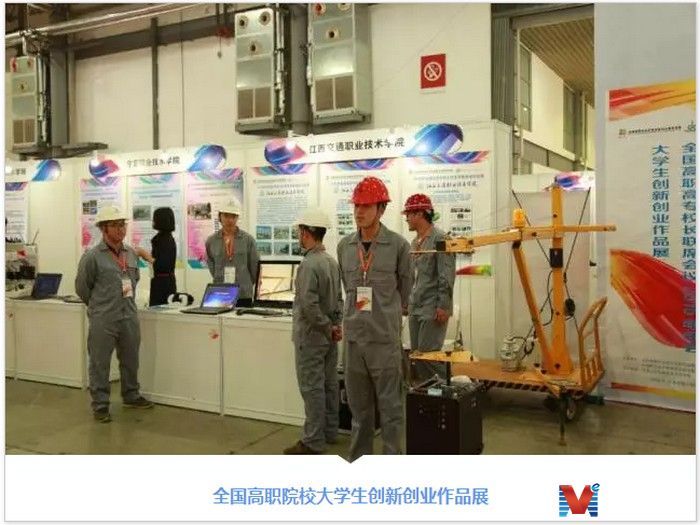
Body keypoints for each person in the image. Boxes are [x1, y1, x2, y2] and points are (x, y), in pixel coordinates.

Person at [337, 176, 413, 461]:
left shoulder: (399, 247)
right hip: (354, 341)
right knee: (359, 412)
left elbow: (405, 289)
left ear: (381, 209)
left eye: (366, 206)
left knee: (391, 410)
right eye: (356, 206)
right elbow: (348, 287)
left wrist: (385, 315)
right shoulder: (345, 247)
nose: (359, 211)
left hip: (384, 342)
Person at [75, 205, 153, 423]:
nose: (120, 229)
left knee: (131, 358)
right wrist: (99, 307)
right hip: (104, 318)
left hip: (128, 314)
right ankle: (100, 405)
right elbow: (82, 288)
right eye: (115, 225)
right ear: (103, 228)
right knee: (99, 362)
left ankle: (131, 395)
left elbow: (134, 280)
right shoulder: (92, 257)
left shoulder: (131, 254)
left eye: (122, 224)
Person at [283, 208, 344, 455]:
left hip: (310, 337)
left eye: (300, 231)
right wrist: (335, 326)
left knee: (312, 389)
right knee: (329, 385)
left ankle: (313, 441)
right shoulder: (331, 262)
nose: (298, 235)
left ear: (306, 233)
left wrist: (326, 326)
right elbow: (339, 299)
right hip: (328, 337)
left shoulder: (309, 264)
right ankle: (329, 432)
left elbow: (308, 305)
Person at [403, 193, 456, 383]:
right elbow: (413, 277)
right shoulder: (414, 242)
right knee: (418, 356)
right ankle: (430, 393)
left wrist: (444, 306)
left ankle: (447, 390)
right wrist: (407, 302)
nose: (406, 219)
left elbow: (446, 275)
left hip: (433, 308)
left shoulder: (440, 239)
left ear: (419, 214)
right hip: (416, 306)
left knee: (428, 356)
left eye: (408, 214)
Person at [205, 201, 259, 306]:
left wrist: (245, 282)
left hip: (243, 293)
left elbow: (254, 267)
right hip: (220, 292)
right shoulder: (211, 241)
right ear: (220, 217)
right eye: (226, 216)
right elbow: (212, 265)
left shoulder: (248, 240)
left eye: (233, 216)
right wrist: (219, 278)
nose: (230, 220)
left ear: (237, 218)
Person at [144, 207, 177, 306]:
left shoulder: (165, 240)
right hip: (161, 281)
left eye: (154, 219)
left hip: (163, 284)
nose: (153, 221)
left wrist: (145, 255)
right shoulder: (162, 238)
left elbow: (162, 265)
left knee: (160, 309)